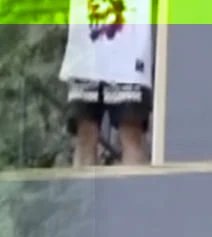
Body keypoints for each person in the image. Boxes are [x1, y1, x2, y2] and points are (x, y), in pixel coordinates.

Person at [59, 0, 156, 166]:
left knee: (131, 131)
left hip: (129, 45)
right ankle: (83, 191)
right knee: (85, 132)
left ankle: (134, 191)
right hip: (86, 45)